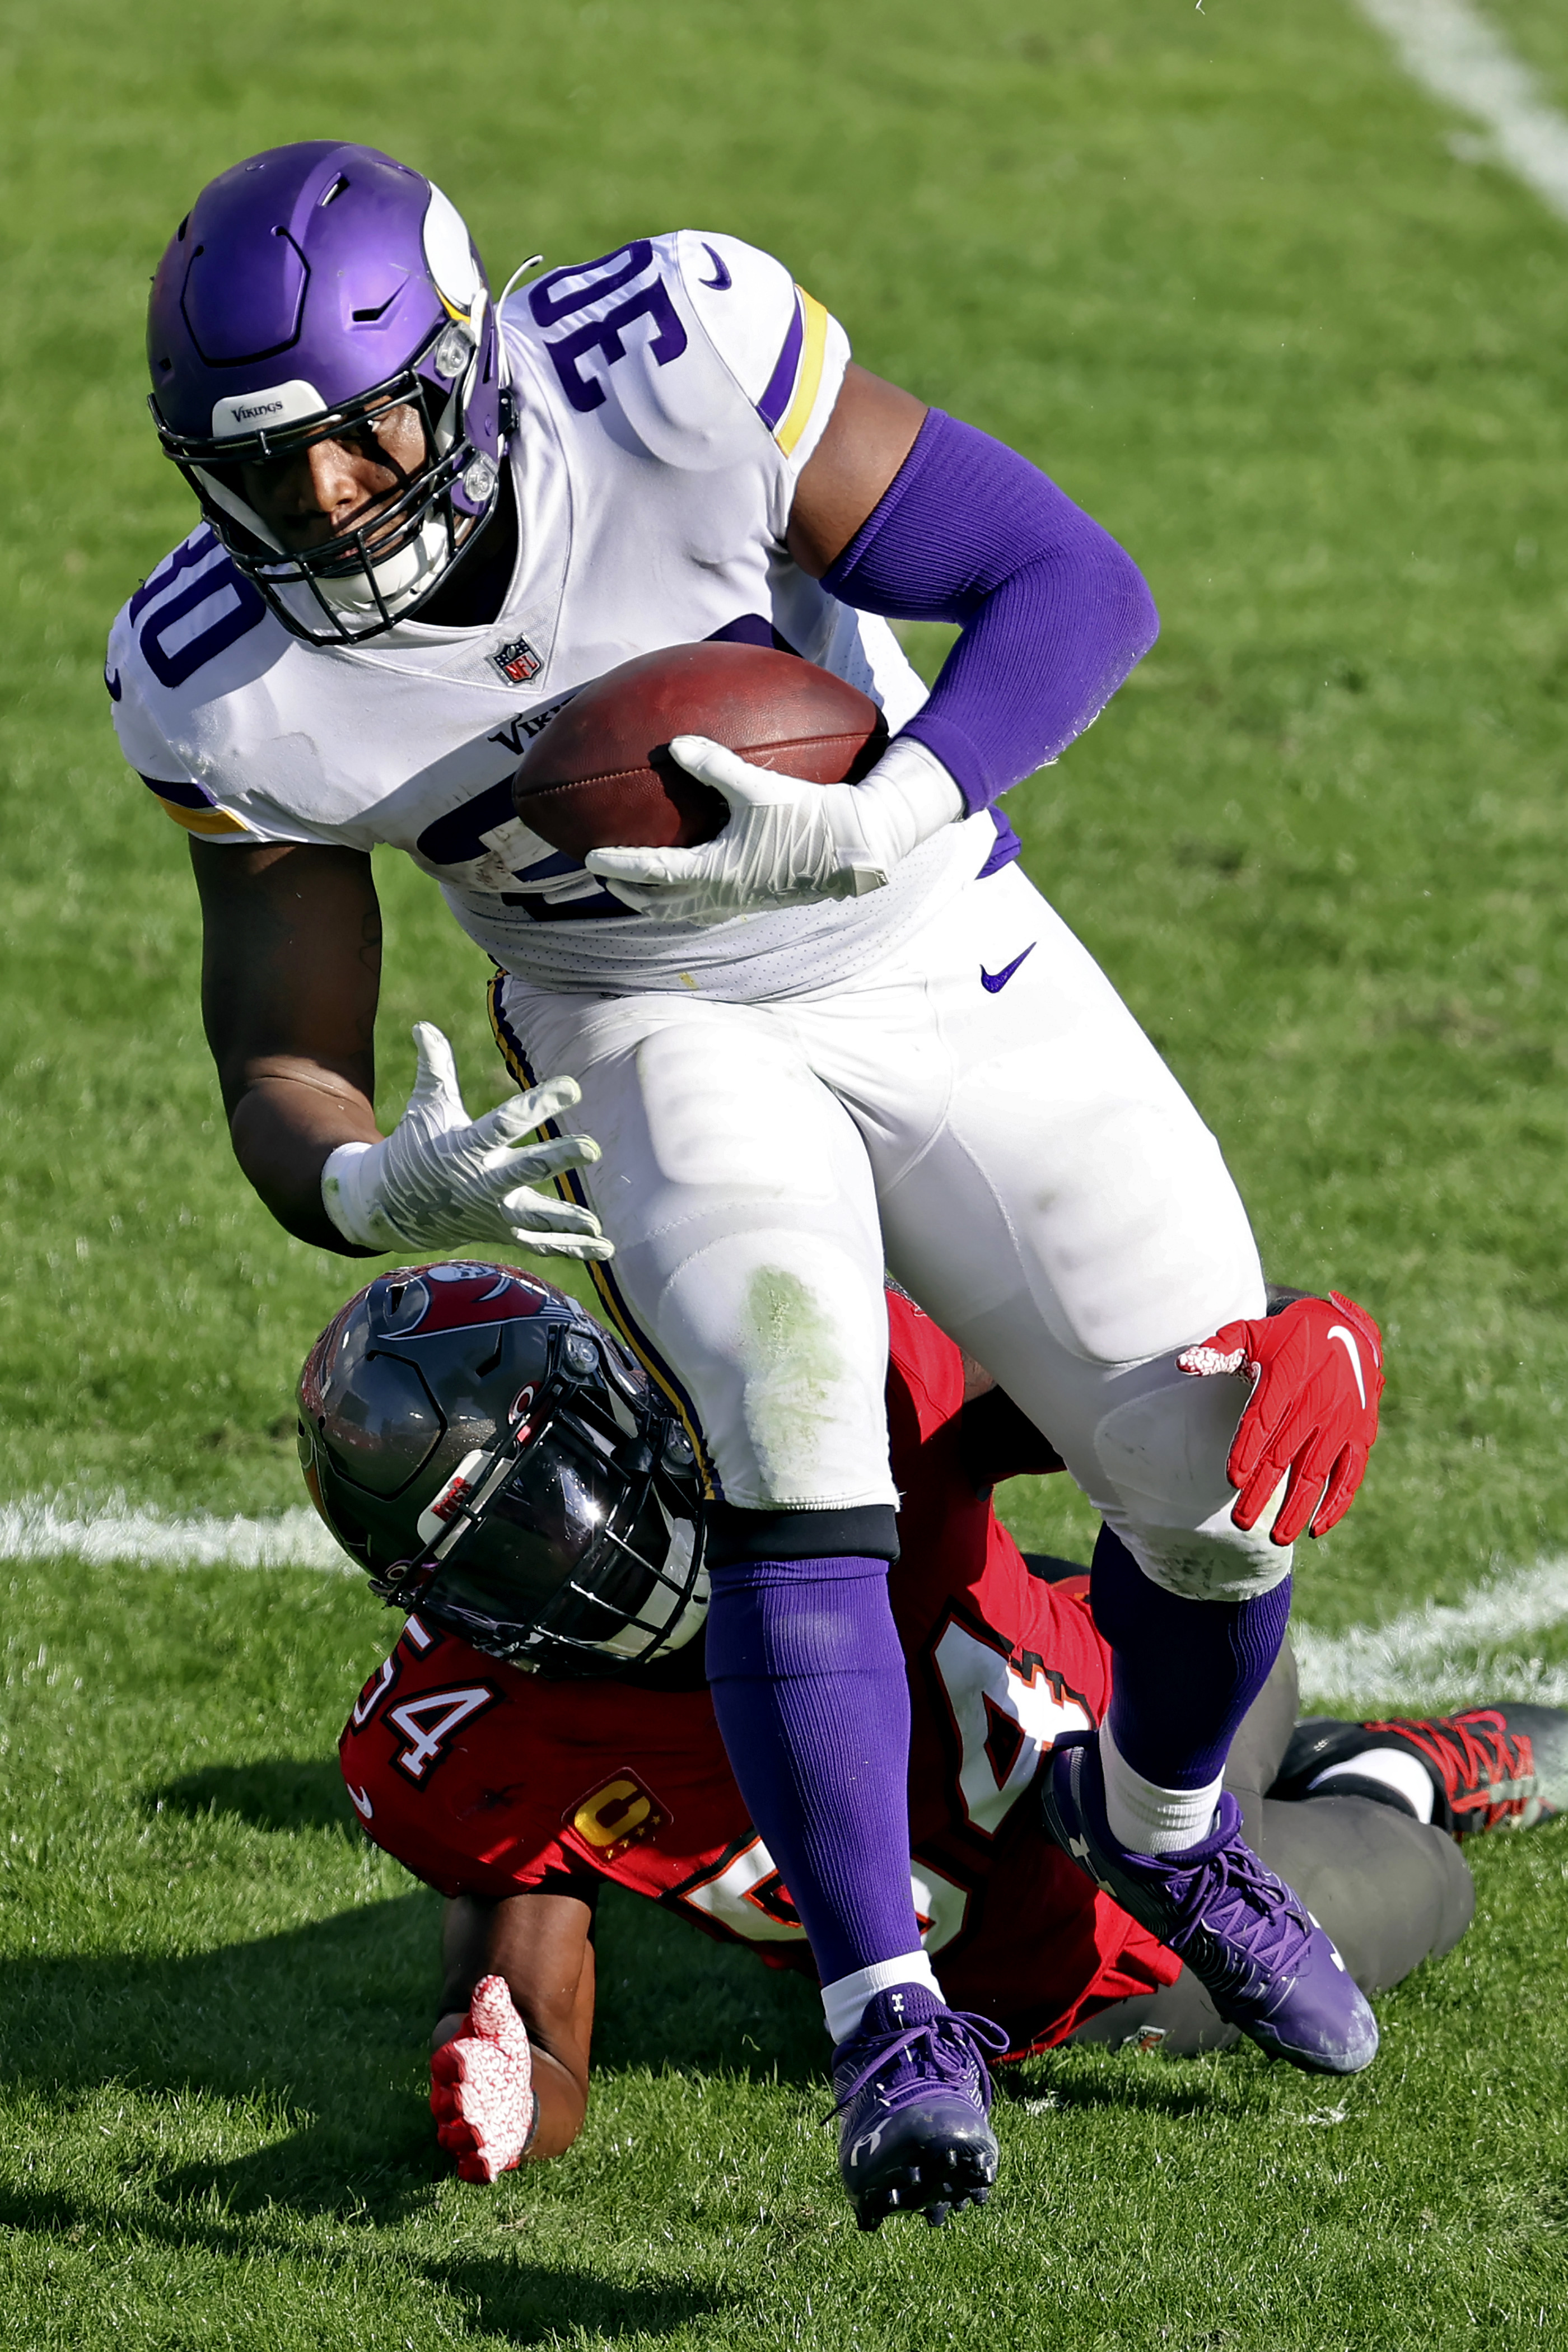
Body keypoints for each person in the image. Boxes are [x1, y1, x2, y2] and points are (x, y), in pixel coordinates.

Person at [114, 141, 1387, 2221]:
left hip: (923, 928)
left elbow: (1078, 585)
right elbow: (281, 1040)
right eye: (271, 471)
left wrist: (898, 803)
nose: (333, 503)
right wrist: (362, 1183)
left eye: (370, 436)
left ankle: (1169, 1834)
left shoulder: (672, 360)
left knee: (1213, 1479)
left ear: (473, 360)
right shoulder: (215, 674)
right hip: (640, 1023)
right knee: (799, 1439)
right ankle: (885, 2018)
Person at [310, 1267, 1562, 2218]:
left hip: (1126, 1680)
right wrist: (503, 2086)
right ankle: (1395, 1771)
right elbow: (527, 2016)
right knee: (1419, 1879)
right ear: (440, 1593)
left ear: (618, 1389)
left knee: (1224, 1659)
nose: (585, 1541)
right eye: (516, 1534)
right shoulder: (466, 1739)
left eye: (570, 1472)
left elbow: (1132, 1363)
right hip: (1086, 1964)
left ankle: (1327, 1768)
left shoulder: (796, 1395)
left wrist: (1289, 1321)